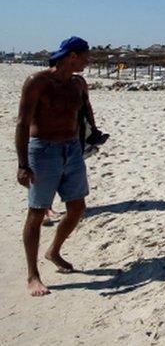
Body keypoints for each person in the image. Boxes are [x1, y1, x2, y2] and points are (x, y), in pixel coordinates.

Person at [15, 36, 92, 296]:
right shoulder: (38, 82)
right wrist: (23, 164)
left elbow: (83, 117)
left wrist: (85, 145)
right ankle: (32, 275)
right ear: (72, 56)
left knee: (77, 207)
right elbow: (22, 124)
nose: (88, 61)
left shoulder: (78, 83)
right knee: (37, 213)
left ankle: (54, 250)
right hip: (43, 150)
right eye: (85, 56)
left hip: (72, 150)